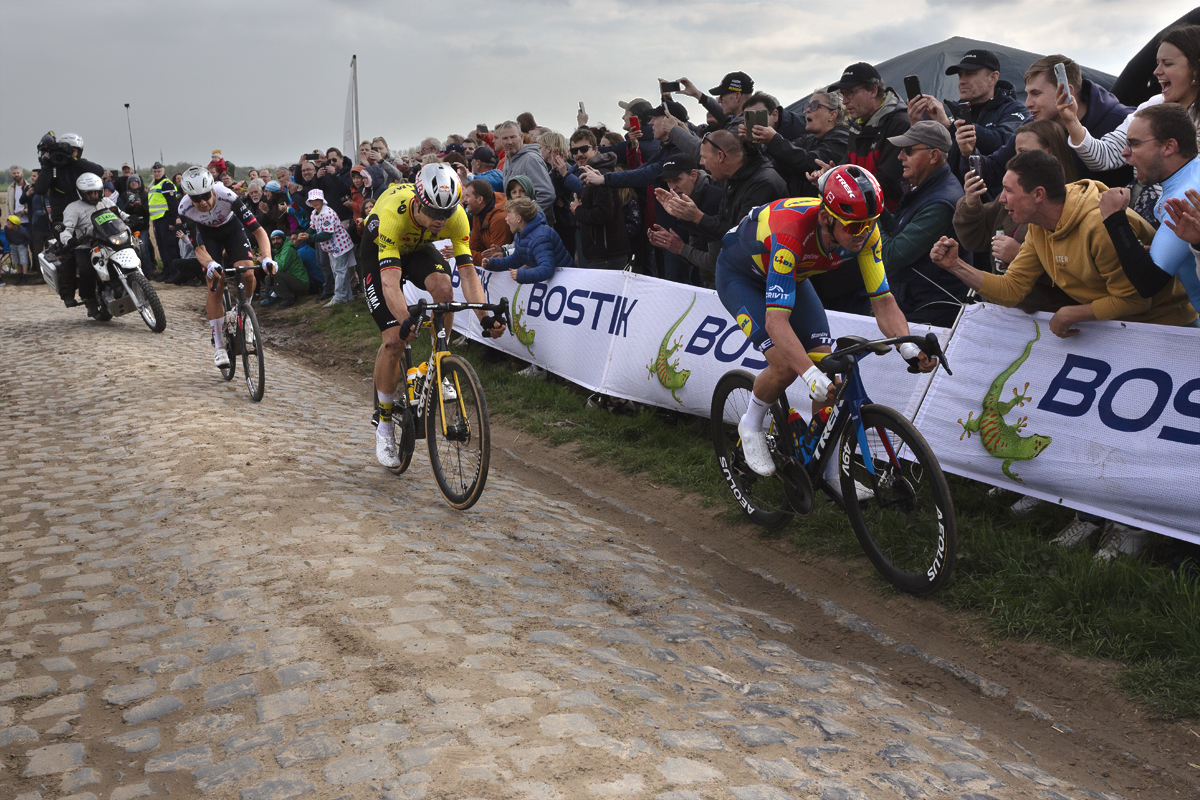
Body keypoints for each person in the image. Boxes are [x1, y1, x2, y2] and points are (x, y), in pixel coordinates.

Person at [715, 165, 937, 496]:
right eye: (854, 226)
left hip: (792, 277)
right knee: (786, 365)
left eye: (870, 224)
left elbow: (884, 301)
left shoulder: (864, 234)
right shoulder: (792, 233)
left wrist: (907, 347)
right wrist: (807, 374)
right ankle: (751, 423)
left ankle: (829, 473)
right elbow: (777, 322)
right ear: (825, 219)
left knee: (830, 371)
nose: (863, 233)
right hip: (740, 276)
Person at [358, 163, 505, 469]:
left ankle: (440, 362)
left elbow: (468, 275)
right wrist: (404, 321)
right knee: (393, 342)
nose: (441, 221)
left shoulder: (456, 218)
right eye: (434, 213)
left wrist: (484, 318)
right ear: (418, 201)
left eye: (446, 213)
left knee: (444, 291)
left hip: (418, 246)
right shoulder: (392, 216)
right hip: (381, 249)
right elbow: (389, 283)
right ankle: (384, 425)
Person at [953, 120, 1079, 313]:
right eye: (1016, 152)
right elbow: (975, 241)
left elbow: (1078, 277)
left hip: (1053, 317)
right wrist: (971, 203)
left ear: (1050, 153)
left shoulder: (1072, 205)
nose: (1017, 159)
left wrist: (1018, 255)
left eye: (1025, 153)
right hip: (1007, 311)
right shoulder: (1012, 196)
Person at [966, 55, 1132, 194]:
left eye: (1036, 93)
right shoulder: (1034, 126)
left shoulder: (1123, 122)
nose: (1027, 103)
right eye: (1027, 94)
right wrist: (969, 151)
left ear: (1066, 91)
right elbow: (995, 169)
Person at [1100, 103, 1200, 315]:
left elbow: (1148, 282)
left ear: (1168, 147)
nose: (1125, 153)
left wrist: (1114, 217)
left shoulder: (1185, 196)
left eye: (1134, 144)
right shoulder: (1190, 176)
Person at [175, 166, 277, 370]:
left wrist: (267, 258)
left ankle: (246, 314)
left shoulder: (228, 197)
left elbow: (259, 232)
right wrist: (210, 263)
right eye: (196, 198)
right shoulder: (185, 208)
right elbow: (198, 247)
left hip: (231, 229)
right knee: (216, 282)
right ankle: (220, 345)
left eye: (205, 195)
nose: (202, 202)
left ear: (213, 190)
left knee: (248, 272)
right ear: (188, 196)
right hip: (207, 236)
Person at [871, 121, 969, 326]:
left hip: (929, 316)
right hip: (914, 305)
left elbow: (890, 255)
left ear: (933, 156)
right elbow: (897, 229)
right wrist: (872, 200)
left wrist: (869, 213)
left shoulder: (941, 203)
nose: (900, 157)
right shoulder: (927, 187)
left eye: (908, 150)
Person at [909, 48, 1030, 175]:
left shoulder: (1015, 110)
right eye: (960, 75)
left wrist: (950, 125)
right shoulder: (952, 112)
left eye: (970, 73)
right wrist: (916, 123)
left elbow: (1005, 143)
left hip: (993, 193)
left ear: (993, 78)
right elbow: (929, 158)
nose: (962, 81)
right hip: (955, 193)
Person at [828, 62, 911, 209]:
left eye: (850, 93)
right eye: (843, 95)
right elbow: (849, 168)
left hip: (889, 222)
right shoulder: (857, 125)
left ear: (873, 91)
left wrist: (844, 182)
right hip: (864, 217)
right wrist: (830, 176)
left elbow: (891, 183)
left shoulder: (899, 123)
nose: (845, 101)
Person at [648, 153, 724, 285]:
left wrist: (680, 248)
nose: (672, 187)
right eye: (668, 182)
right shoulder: (693, 199)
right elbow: (696, 254)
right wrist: (672, 245)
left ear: (693, 175)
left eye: (676, 180)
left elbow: (714, 262)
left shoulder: (712, 200)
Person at [760, 90, 851, 197]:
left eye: (814, 106)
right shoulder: (807, 139)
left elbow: (811, 163)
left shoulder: (843, 137)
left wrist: (774, 140)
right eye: (807, 106)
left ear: (832, 115)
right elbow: (780, 163)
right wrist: (754, 144)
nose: (807, 110)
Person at [60, 173, 126, 317]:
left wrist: (131, 217)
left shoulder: (106, 202)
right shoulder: (73, 208)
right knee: (86, 270)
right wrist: (69, 240)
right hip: (86, 246)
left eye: (96, 192)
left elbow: (120, 215)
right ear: (81, 193)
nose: (93, 195)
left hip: (108, 242)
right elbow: (66, 229)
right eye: (89, 193)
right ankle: (89, 299)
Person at [481, 197, 573, 281]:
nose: (506, 219)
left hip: (568, 281)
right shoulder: (520, 234)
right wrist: (492, 263)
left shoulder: (540, 238)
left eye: (508, 215)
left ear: (518, 219)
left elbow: (547, 269)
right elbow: (516, 259)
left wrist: (522, 275)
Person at [32, 132, 105, 225]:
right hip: (61, 217)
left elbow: (99, 171)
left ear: (79, 152)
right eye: (66, 150)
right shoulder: (54, 167)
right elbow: (39, 189)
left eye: (73, 151)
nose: (69, 153)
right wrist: (48, 166)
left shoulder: (80, 165)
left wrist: (73, 160)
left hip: (84, 216)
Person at [304, 189, 356, 307]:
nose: (315, 202)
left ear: (322, 200)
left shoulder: (327, 213)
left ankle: (339, 297)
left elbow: (327, 234)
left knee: (339, 271)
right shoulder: (314, 213)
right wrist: (304, 234)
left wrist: (309, 237)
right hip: (331, 247)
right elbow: (312, 227)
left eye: (317, 199)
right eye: (312, 200)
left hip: (339, 245)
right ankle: (347, 296)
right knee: (338, 271)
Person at [497, 121, 557, 222]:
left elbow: (546, 194)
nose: (509, 142)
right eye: (505, 138)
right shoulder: (508, 161)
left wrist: (527, 218)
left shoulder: (530, 159)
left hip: (534, 227)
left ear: (521, 137)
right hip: (519, 226)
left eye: (513, 137)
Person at [673, 72, 754, 133]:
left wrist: (679, 132)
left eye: (722, 96)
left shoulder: (742, 128)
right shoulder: (744, 120)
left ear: (737, 96)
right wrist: (697, 94)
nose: (719, 100)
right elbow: (720, 114)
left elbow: (709, 152)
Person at [463, 179, 511, 265]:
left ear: (480, 199)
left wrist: (462, 254)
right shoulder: (478, 211)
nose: (464, 200)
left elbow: (495, 258)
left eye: (467, 196)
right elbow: (474, 246)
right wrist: (464, 252)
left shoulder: (500, 219)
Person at [260, 230, 309, 309]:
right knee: (268, 277)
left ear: (283, 239)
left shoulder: (288, 249)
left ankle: (288, 298)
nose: (275, 241)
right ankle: (273, 295)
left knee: (275, 274)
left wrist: (265, 261)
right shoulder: (279, 252)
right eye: (273, 239)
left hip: (301, 283)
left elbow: (280, 267)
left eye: (278, 238)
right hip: (291, 281)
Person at [147, 162, 180, 279]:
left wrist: (172, 222)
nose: (156, 173)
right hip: (157, 220)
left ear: (164, 171)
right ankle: (166, 271)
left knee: (169, 247)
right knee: (161, 246)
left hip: (166, 220)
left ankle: (174, 272)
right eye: (155, 172)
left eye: (159, 171)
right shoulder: (154, 185)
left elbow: (173, 205)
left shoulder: (166, 184)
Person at [118, 174, 153, 276]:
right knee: (130, 250)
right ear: (128, 183)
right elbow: (122, 211)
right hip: (130, 227)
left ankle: (147, 272)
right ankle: (133, 272)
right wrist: (130, 206)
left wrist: (140, 205)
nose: (134, 183)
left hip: (143, 227)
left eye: (136, 181)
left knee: (144, 249)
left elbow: (148, 211)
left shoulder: (145, 195)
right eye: (131, 181)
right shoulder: (124, 195)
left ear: (139, 183)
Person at [4, 215, 32, 282]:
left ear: (15, 225)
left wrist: (24, 244)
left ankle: (25, 276)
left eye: (9, 224)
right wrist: (10, 242)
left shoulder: (23, 231)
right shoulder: (6, 228)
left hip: (21, 245)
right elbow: (7, 236)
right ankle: (20, 275)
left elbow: (29, 238)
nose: (8, 225)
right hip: (13, 244)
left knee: (23, 260)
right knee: (16, 260)